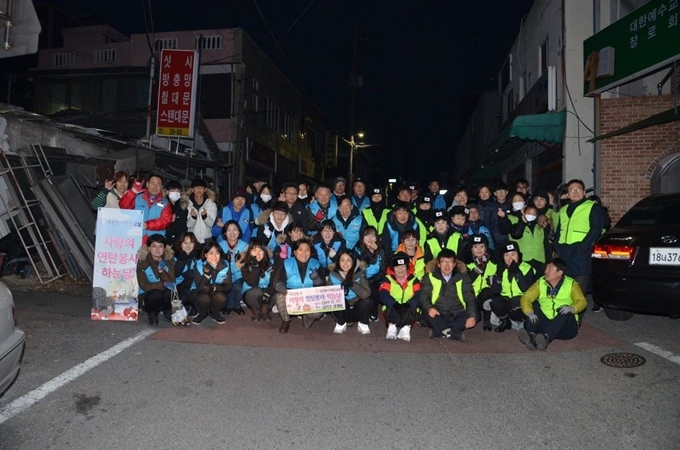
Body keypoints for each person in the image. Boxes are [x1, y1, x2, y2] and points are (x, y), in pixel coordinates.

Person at [553, 179, 605, 311]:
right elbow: (559, 230)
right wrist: (557, 245)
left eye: (578, 189)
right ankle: (564, 318)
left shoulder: (592, 207)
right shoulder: (563, 210)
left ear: (583, 192)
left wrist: (583, 246)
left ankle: (576, 320)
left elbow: (596, 229)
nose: (575, 192)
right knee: (565, 287)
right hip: (564, 252)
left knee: (579, 290)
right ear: (568, 194)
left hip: (582, 252)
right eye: (571, 190)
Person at [518, 257, 587, 351]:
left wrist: (572, 308)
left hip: (565, 328)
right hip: (545, 323)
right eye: (546, 268)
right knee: (533, 304)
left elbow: (581, 301)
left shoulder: (571, 284)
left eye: (550, 269)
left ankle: (545, 338)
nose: (546, 271)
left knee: (565, 311)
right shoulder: (541, 282)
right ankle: (531, 335)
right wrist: (529, 312)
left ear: (560, 273)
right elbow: (526, 297)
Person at [420, 249, 477, 341]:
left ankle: (439, 331)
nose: (447, 265)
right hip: (438, 312)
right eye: (443, 262)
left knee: (473, 314)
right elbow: (424, 295)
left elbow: (469, 297)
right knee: (426, 314)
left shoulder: (463, 277)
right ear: (438, 264)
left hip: (457, 312)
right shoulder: (430, 277)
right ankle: (453, 332)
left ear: (454, 264)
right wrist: (429, 308)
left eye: (450, 262)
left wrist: (472, 316)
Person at [272, 239, 325, 333]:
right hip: (292, 298)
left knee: (318, 313)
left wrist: (317, 280)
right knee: (280, 295)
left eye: (307, 250)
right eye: (300, 249)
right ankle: (286, 320)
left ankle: (307, 318)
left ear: (311, 252)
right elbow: (278, 279)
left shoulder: (316, 263)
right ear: (295, 252)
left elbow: (323, 286)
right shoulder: (287, 263)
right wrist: (279, 285)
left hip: (309, 297)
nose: (304, 253)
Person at [489, 242, 536, 332]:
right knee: (495, 303)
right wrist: (498, 275)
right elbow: (495, 290)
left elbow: (525, 289)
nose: (510, 258)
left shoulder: (527, 268)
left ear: (518, 255)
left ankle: (518, 322)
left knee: (517, 311)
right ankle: (505, 321)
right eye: (507, 255)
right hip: (506, 298)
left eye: (513, 254)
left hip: (521, 298)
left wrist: (517, 272)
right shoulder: (500, 268)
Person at [378, 252, 422, 342]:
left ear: (407, 267)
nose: (400, 269)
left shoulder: (414, 279)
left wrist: (409, 304)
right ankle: (391, 328)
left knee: (414, 308)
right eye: (397, 267)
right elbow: (383, 294)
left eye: (403, 266)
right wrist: (394, 304)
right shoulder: (388, 279)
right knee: (389, 306)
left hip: (408, 308)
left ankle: (406, 329)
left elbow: (419, 295)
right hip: (393, 308)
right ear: (393, 268)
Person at [327, 249, 372, 335]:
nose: (345, 263)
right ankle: (341, 323)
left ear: (353, 261)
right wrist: (339, 290)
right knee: (337, 299)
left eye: (348, 260)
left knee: (368, 301)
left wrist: (352, 284)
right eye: (342, 260)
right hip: (343, 311)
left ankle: (363, 323)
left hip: (357, 308)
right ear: (338, 261)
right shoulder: (333, 274)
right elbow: (328, 295)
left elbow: (366, 293)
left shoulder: (360, 273)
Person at [119, 174, 173, 244]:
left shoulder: (165, 203)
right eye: (152, 183)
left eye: (158, 184)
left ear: (161, 187)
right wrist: (133, 192)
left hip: (156, 241)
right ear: (147, 184)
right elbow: (123, 206)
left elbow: (166, 220)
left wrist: (147, 225)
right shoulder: (137, 198)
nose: (155, 187)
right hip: (135, 238)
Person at [136, 233, 176, 325]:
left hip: (165, 290)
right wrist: (162, 285)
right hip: (149, 293)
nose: (157, 249)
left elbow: (172, 282)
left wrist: (162, 272)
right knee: (156, 294)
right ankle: (152, 313)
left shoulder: (169, 260)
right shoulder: (143, 262)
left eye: (160, 246)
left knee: (170, 291)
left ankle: (167, 310)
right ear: (149, 248)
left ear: (164, 248)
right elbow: (143, 285)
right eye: (154, 246)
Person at [192, 241, 232, 325]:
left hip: (216, 291)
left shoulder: (225, 265)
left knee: (221, 297)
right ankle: (202, 313)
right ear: (205, 255)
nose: (214, 256)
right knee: (205, 298)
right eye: (211, 253)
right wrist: (206, 274)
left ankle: (215, 313)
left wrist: (214, 287)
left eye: (217, 253)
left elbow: (228, 286)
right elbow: (200, 287)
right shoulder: (199, 265)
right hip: (200, 293)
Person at [354, 226, 387, 322]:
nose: (370, 239)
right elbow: (360, 266)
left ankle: (374, 312)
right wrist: (371, 252)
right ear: (362, 238)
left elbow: (383, 270)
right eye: (367, 236)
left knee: (374, 290)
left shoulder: (381, 249)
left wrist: (371, 280)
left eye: (373, 235)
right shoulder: (356, 249)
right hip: (360, 278)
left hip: (376, 279)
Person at [507, 203, 551, 273]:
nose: (531, 215)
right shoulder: (517, 225)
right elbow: (516, 235)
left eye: (533, 214)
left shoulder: (540, 227)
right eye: (529, 213)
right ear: (524, 213)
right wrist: (522, 222)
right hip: (524, 260)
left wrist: (548, 261)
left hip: (539, 260)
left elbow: (546, 245)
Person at [239, 240, 276, 322]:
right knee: (256, 291)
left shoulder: (272, 263)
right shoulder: (244, 265)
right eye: (254, 250)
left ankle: (265, 309)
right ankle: (255, 309)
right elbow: (253, 283)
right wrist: (255, 267)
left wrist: (268, 292)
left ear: (265, 252)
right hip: (250, 292)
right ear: (250, 252)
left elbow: (274, 281)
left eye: (261, 250)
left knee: (277, 290)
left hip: (267, 291)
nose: (258, 253)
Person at [218, 220, 249, 315]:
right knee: (228, 284)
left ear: (239, 232)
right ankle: (229, 305)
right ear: (225, 233)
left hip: (240, 274)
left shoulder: (245, 246)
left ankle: (237, 305)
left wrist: (237, 264)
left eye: (235, 230)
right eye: (228, 230)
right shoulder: (220, 245)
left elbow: (245, 265)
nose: (232, 233)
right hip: (225, 274)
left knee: (237, 286)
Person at [467, 234, 497, 331]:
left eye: (482, 246)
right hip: (470, 294)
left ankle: (487, 320)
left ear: (486, 248)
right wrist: (477, 270)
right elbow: (466, 281)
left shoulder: (493, 263)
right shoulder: (465, 263)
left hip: (484, 294)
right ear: (471, 249)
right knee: (475, 316)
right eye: (475, 247)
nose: (479, 250)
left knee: (488, 294)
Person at [172, 232, 200, 315]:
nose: (188, 246)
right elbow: (175, 274)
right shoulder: (175, 256)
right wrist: (181, 260)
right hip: (179, 286)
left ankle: (195, 306)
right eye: (185, 243)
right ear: (180, 244)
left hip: (194, 286)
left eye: (191, 243)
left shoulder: (198, 257)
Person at [186, 178, 218, 244]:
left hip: (207, 240)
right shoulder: (187, 204)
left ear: (205, 190)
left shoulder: (211, 204)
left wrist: (205, 217)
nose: (199, 190)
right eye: (196, 188)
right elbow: (188, 225)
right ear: (192, 190)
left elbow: (212, 224)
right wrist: (193, 218)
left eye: (201, 188)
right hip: (192, 240)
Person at [164, 180, 189, 245]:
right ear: (167, 191)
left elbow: (183, 226)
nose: (175, 193)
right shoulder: (162, 205)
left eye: (178, 191)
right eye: (172, 190)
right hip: (164, 240)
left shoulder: (183, 207)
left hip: (178, 242)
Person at [488, 181, 512, 252]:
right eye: (498, 191)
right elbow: (486, 223)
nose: (501, 193)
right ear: (495, 194)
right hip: (494, 240)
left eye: (503, 191)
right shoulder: (490, 207)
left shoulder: (511, 205)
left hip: (509, 238)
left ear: (507, 192)